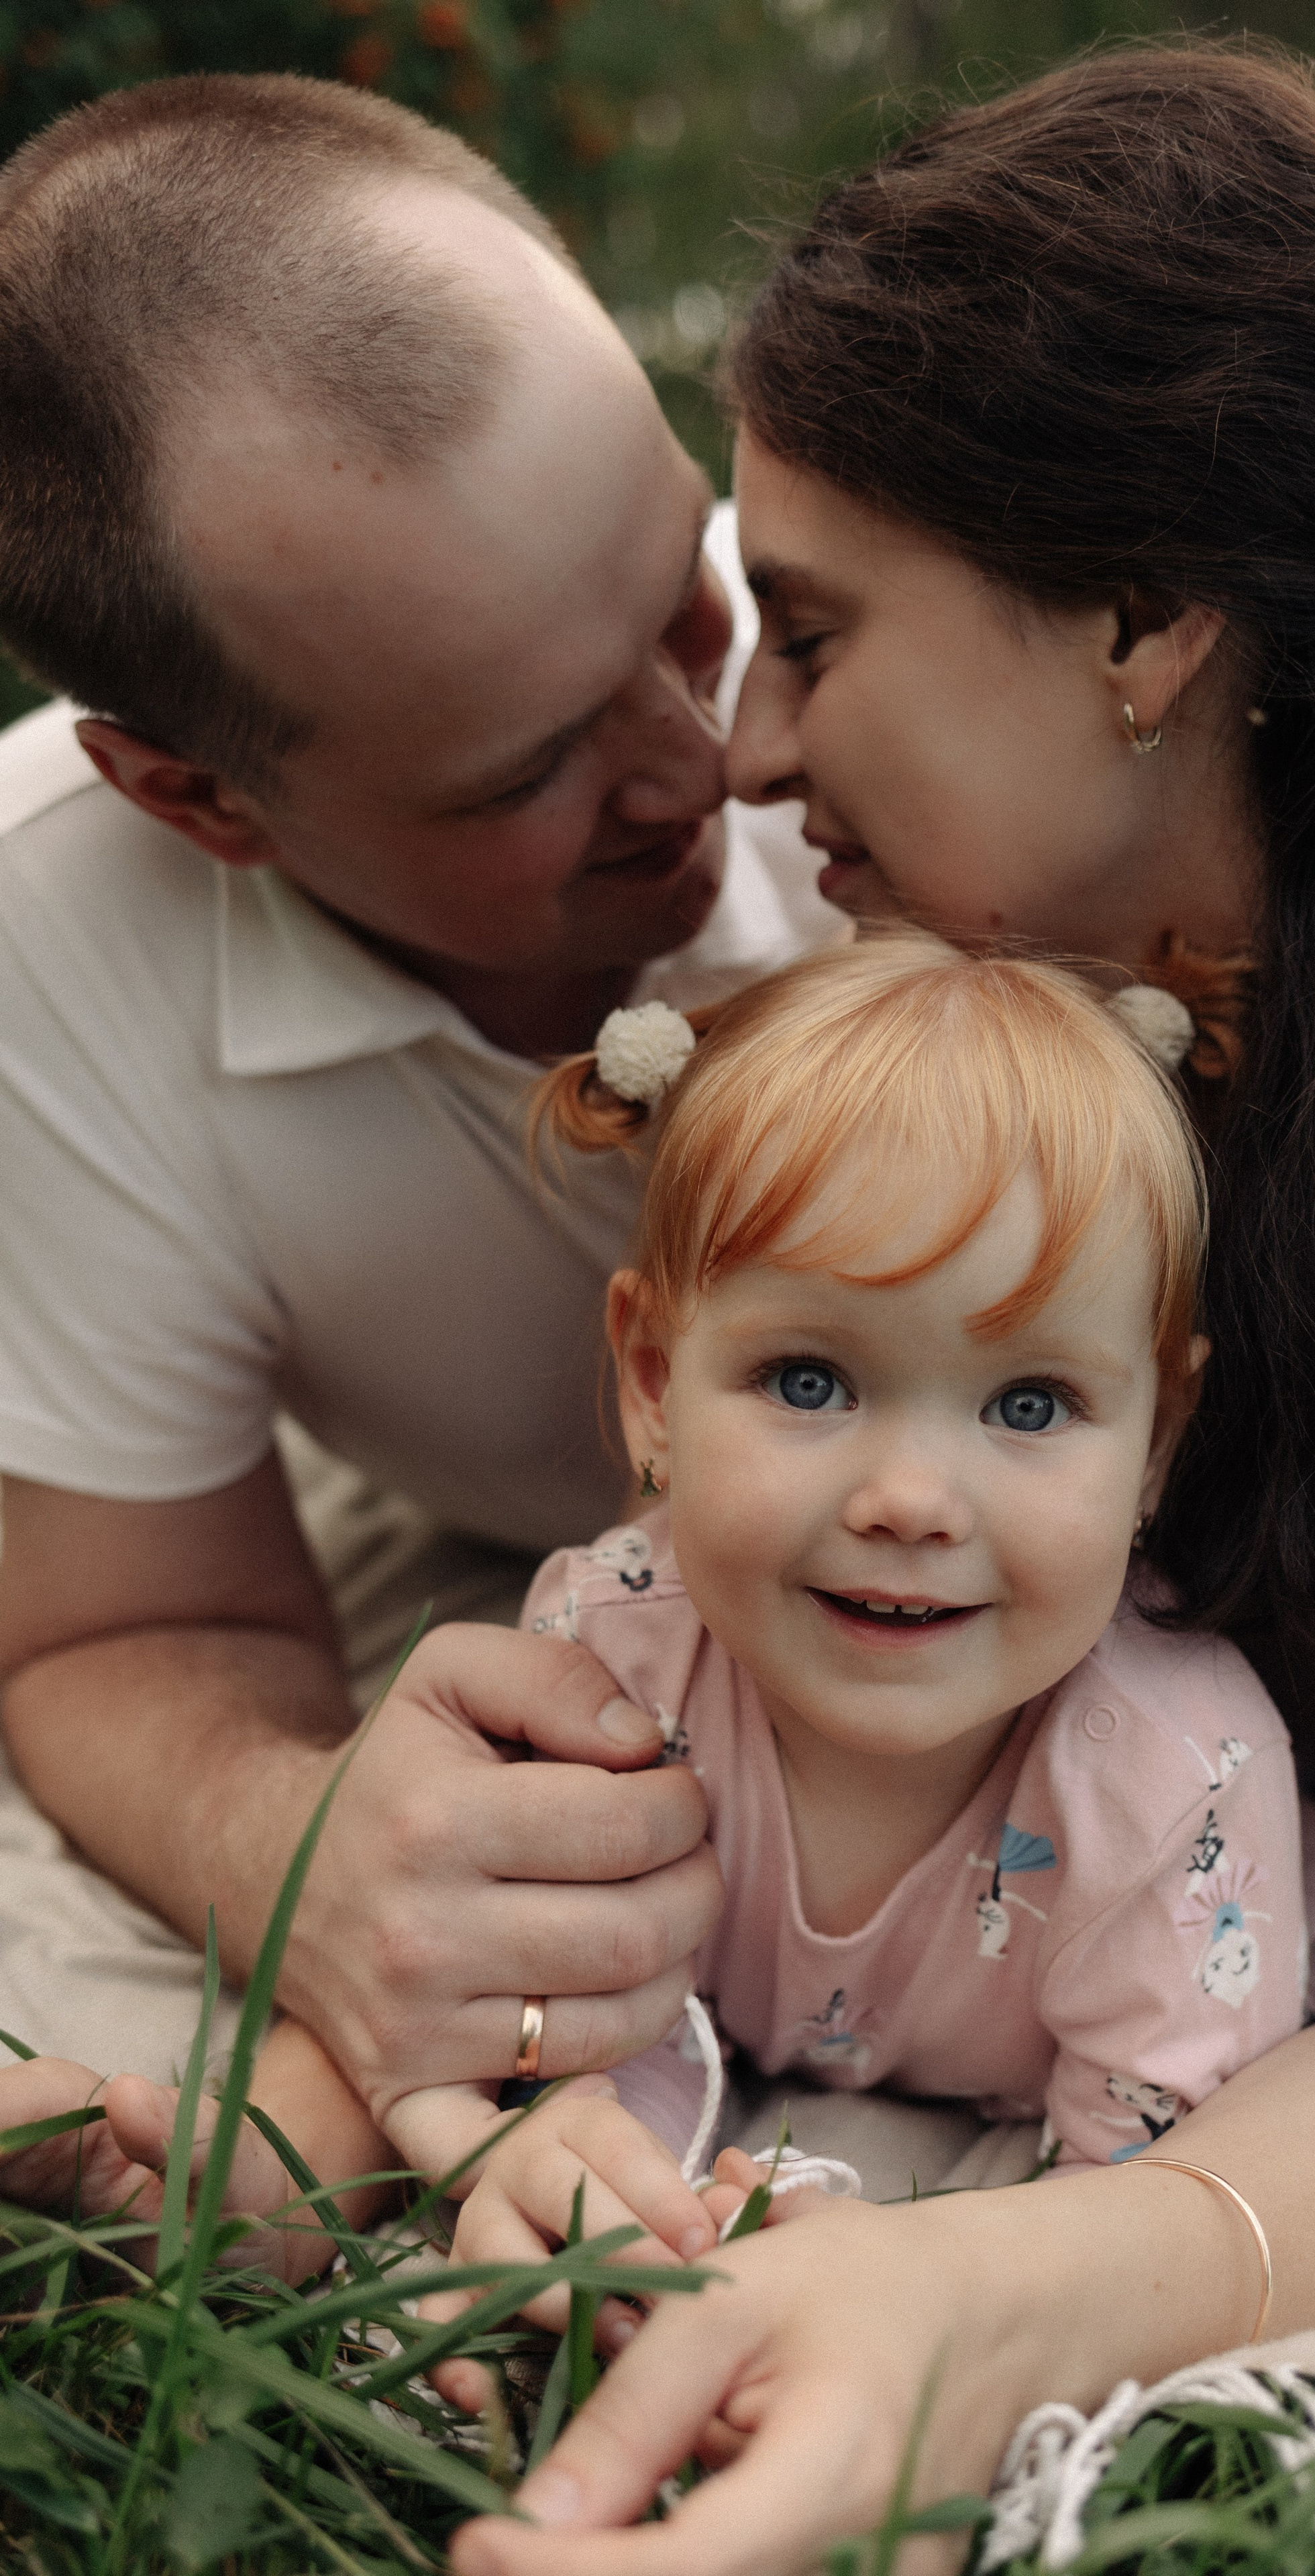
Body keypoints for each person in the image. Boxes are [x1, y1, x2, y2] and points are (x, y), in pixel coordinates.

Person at [437, 41, 1315, 2576]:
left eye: (806, 631)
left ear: (1144, 622)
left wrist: (972, 2310)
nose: (752, 754)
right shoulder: (964, 968)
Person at [12, 940, 1300, 2324]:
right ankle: (248, 2188)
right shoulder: (612, 1651)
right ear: (649, 1385)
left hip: (1087, 2060)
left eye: (1029, 1405)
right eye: (808, 1379)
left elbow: (1125, 2218)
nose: (912, 1501)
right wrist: (612, 2180)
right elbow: (534, 1993)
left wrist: (835, 2259)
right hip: (693, 2022)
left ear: (1157, 1440)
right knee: (402, 2018)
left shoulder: (1177, 1790)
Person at [0, 74, 837, 2106]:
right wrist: (292, 1848)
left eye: (687, 599)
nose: (708, 754)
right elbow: (119, 1632)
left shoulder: (900, 670)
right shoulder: (48, 934)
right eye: (525, 769)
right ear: (195, 800)